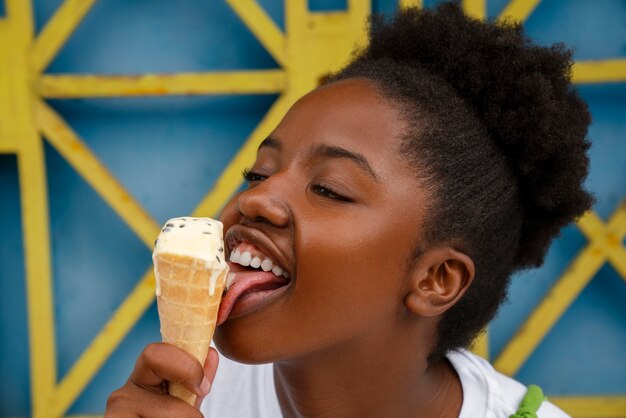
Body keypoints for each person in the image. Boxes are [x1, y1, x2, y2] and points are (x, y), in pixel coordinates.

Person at [105, 3, 592, 417]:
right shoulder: (196, 394)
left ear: (436, 278)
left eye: (329, 189)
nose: (254, 199)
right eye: (258, 174)